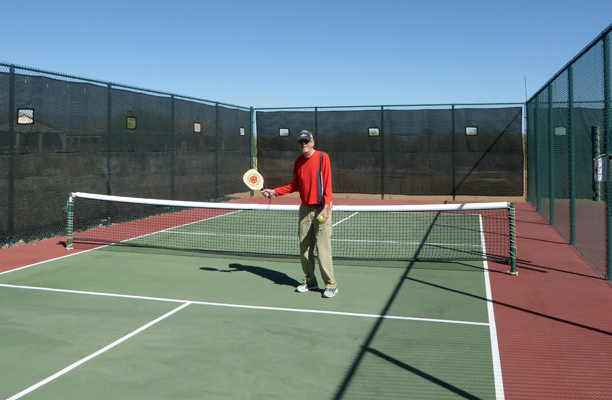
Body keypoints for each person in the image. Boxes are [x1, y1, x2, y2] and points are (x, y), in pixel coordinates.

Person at [261, 130, 338, 298]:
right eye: (300, 142)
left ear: (312, 142)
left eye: (306, 141)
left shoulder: (323, 157)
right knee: (304, 249)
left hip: (321, 208)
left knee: (323, 248)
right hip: (305, 208)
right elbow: (294, 185)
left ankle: (331, 285)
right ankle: (310, 281)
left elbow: (328, 184)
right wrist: (274, 192)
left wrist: (326, 208)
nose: (303, 144)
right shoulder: (298, 162)